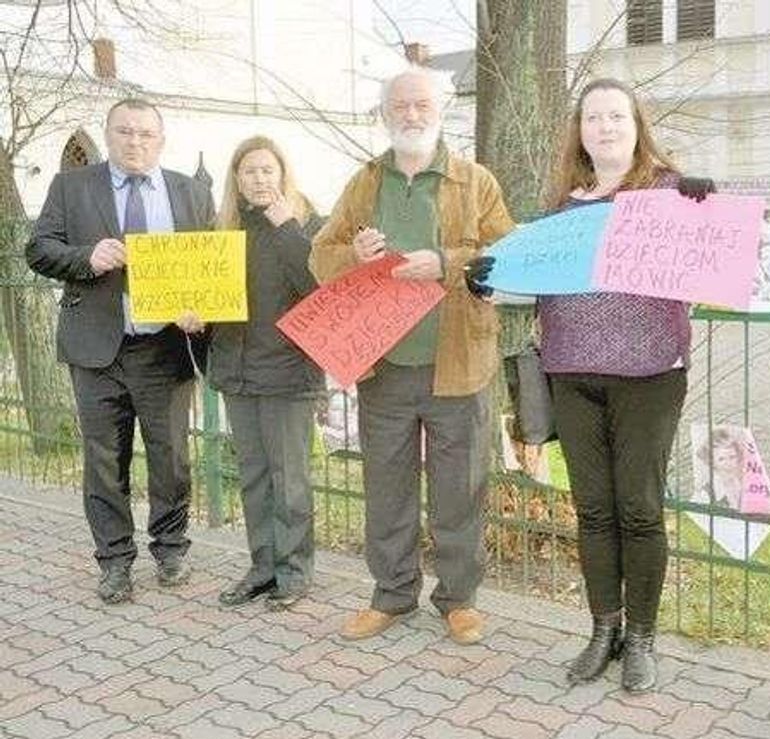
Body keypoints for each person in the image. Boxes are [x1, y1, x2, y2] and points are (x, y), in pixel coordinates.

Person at [470, 78, 714, 692]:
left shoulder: (669, 195)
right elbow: (532, 285)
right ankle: (604, 629)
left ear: (637, 127)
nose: (605, 127)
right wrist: (489, 281)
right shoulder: (561, 210)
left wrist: (703, 205)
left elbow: (716, 254)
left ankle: (642, 639)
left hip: (649, 375)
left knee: (639, 509)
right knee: (595, 510)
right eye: (593, 118)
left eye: (616, 117)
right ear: (579, 132)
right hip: (573, 374)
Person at [310, 66, 513, 645]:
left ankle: (458, 599)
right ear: (384, 114)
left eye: (421, 104)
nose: (411, 114)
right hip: (384, 365)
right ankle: (392, 594)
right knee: (387, 487)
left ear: (440, 110)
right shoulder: (365, 183)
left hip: (459, 365)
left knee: (459, 490)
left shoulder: (474, 181)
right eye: (399, 105)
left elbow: (507, 252)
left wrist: (446, 263)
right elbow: (319, 255)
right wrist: (353, 255)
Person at [26, 98, 214, 604]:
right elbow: (38, 249)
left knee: (171, 458)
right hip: (97, 349)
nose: (135, 142)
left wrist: (201, 309)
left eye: (145, 134)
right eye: (125, 132)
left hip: (165, 347)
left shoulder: (191, 192)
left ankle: (170, 548)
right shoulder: (71, 186)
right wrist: (86, 257)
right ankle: (114, 561)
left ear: (161, 140)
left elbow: (212, 266)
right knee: (104, 462)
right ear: (108, 135)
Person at [176, 136, 324, 611]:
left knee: (290, 480)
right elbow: (210, 299)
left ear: (282, 173)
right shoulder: (222, 231)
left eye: (267, 170)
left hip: (288, 373)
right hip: (238, 371)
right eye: (249, 171)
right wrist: (196, 319)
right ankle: (263, 568)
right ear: (236, 180)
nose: (259, 179)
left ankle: (294, 571)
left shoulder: (308, 224)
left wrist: (287, 228)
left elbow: (319, 288)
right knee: (254, 478)